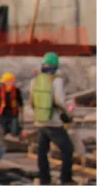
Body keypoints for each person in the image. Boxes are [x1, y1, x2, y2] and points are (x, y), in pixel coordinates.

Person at [31, 52, 74, 185]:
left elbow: (32, 102)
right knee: (68, 149)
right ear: (56, 66)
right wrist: (67, 114)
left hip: (39, 121)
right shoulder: (56, 80)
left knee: (42, 151)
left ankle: (45, 179)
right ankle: (65, 179)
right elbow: (59, 101)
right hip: (53, 122)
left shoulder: (35, 80)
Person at [0, 72, 22, 137]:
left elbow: (20, 102)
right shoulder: (0, 90)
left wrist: (21, 111)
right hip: (3, 113)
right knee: (4, 130)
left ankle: (15, 140)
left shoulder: (16, 90)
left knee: (14, 131)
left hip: (13, 113)